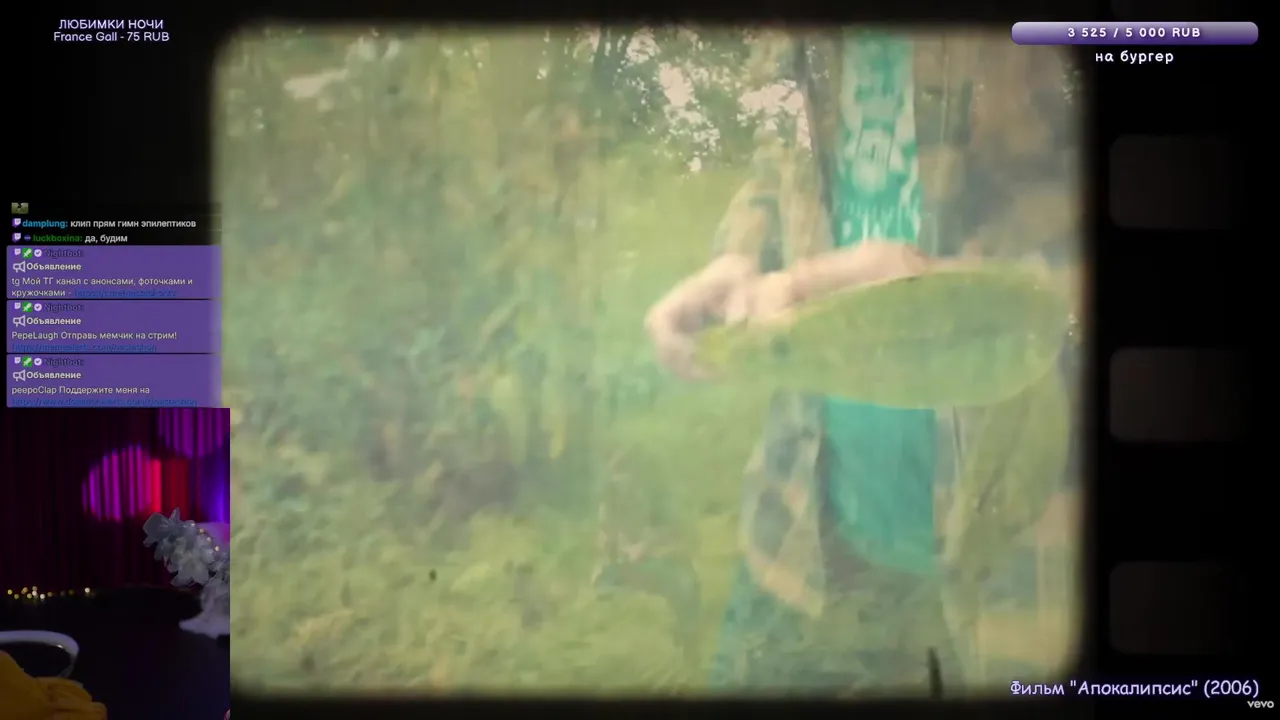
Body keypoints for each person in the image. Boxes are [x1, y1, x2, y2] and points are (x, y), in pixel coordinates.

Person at [644, 30, 1076, 693]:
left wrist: (951, 293)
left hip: (1010, 566)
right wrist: (739, 255)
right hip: (799, 531)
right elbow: (782, 163)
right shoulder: (803, 37)